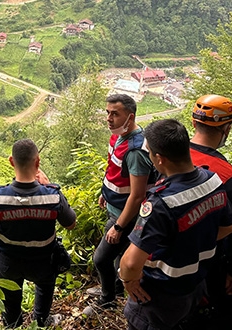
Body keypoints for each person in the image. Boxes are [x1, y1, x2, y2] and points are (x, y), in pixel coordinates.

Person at [118, 119, 232, 330]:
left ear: (160, 158)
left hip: (159, 295)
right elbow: (229, 227)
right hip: (195, 285)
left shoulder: (162, 203)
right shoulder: (213, 182)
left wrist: (129, 281)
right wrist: (190, 245)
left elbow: (130, 263)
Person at [0, 139, 77, 328]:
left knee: (10, 297)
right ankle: (41, 320)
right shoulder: (53, 195)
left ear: (11, 161)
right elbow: (71, 224)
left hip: (7, 263)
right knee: (45, 285)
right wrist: (49, 186)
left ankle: (13, 323)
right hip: (42, 261)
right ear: (38, 162)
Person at [187, 94, 232, 328]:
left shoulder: (170, 156)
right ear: (227, 127)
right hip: (211, 258)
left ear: (194, 123)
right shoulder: (226, 175)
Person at [92, 94, 154, 308]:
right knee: (118, 254)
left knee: (100, 259)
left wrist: (119, 227)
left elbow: (137, 195)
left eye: (115, 114)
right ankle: (116, 288)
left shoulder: (136, 150)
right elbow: (114, 170)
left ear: (130, 116)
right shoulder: (119, 136)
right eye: (108, 112)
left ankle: (107, 299)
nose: (109, 118)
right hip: (115, 207)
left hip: (125, 216)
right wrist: (105, 193)